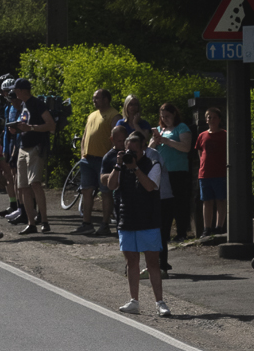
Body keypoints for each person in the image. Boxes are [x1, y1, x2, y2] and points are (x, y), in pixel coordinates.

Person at [106, 131, 170, 318]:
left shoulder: (153, 164)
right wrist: (119, 165)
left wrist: (134, 168)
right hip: (126, 220)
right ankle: (134, 301)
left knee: (152, 263)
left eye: (134, 149)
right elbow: (110, 186)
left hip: (148, 220)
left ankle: (160, 302)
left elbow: (150, 186)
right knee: (131, 262)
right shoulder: (121, 165)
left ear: (143, 148)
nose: (130, 153)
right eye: (128, 149)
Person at [9, 79, 56, 234]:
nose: (14, 93)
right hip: (23, 148)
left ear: (22, 90)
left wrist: (31, 128)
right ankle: (31, 223)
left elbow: (51, 125)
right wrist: (16, 129)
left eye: (16, 90)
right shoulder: (23, 105)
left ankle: (44, 221)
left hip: (36, 148)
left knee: (35, 183)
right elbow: (25, 123)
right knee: (23, 187)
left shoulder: (37, 104)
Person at [73, 88, 120, 236]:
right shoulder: (92, 115)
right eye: (94, 98)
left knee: (106, 192)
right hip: (87, 159)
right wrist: (82, 154)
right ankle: (86, 223)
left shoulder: (114, 115)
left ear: (106, 99)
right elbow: (85, 134)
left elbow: (117, 139)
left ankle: (105, 224)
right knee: (86, 191)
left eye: (97, 98)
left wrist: (111, 159)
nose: (94, 101)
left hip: (103, 160)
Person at [151, 103, 192, 241]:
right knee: (164, 204)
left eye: (167, 116)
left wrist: (168, 141)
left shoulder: (181, 128)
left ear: (174, 114)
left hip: (178, 171)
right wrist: (155, 141)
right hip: (163, 172)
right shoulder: (159, 129)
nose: (165, 119)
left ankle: (181, 232)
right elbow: (150, 150)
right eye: (162, 117)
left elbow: (186, 147)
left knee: (179, 202)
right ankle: (165, 233)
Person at [196, 107, 227, 238]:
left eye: (214, 117)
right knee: (206, 201)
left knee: (221, 200)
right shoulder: (202, 135)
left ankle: (219, 227)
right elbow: (199, 152)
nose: (211, 119)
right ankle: (207, 228)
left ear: (219, 119)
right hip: (205, 174)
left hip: (220, 173)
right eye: (209, 117)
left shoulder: (225, 134)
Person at [0, 80, 23, 219]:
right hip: (10, 142)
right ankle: (15, 204)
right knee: (10, 175)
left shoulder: (21, 107)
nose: (9, 96)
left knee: (19, 177)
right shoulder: (9, 108)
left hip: (19, 142)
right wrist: (5, 149)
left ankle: (21, 206)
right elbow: (6, 130)